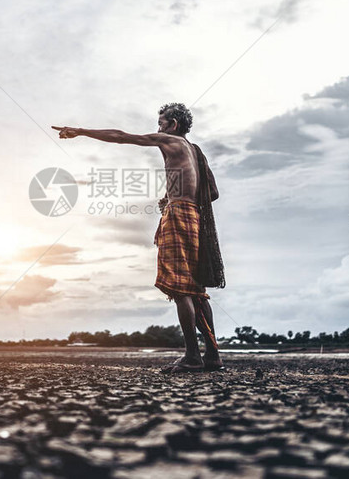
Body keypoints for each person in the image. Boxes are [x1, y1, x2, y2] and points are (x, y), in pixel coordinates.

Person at [52, 103, 224, 373]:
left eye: (161, 123)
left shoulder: (168, 140)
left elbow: (122, 137)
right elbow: (212, 193)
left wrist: (81, 131)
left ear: (173, 125)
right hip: (195, 219)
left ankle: (192, 356)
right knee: (196, 289)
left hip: (179, 216)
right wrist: (174, 195)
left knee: (181, 289)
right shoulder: (196, 151)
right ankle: (212, 356)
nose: (158, 129)